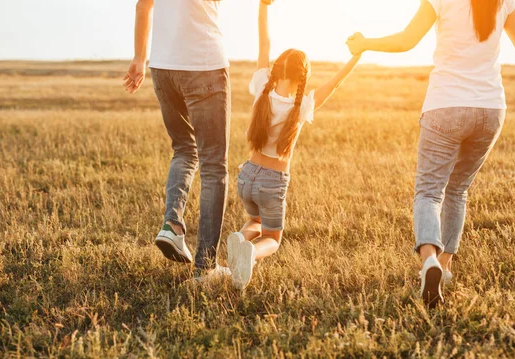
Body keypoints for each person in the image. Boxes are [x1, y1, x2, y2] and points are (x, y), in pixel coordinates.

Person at [347, 0, 515, 308]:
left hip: (445, 106)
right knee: (458, 189)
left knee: (429, 191)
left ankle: (429, 261)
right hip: (490, 110)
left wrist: (366, 43)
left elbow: (407, 40)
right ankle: (445, 266)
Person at [226, 0, 362, 290]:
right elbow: (335, 83)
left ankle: (241, 238)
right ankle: (250, 251)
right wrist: (357, 55)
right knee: (272, 239)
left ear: (276, 69)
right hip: (273, 182)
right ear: (303, 77)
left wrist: (263, 6)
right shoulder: (304, 105)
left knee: (255, 221)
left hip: (247, 175)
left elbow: (264, 41)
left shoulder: (262, 84)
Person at [123, 0, 231, 275]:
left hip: (162, 67)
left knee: (184, 149)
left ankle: (172, 224)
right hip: (203, 64)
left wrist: (139, 57)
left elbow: (142, 6)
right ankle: (205, 267)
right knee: (213, 166)